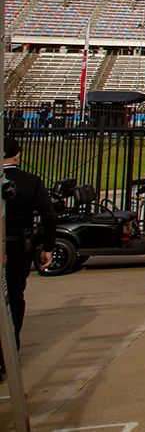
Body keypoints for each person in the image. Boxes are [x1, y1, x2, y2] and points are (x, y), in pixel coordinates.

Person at [1, 136, 57, 379]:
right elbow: (49, 216)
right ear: (18, 154)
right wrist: (48, 246)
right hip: (17, 246)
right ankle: (9, 350)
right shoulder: (30, 181)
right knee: (14, 296)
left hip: (13, 243)